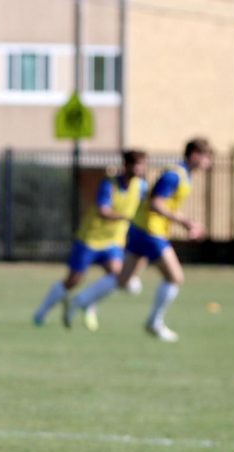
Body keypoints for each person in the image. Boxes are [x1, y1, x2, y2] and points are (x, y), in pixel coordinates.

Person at [67, 138, 213, 342]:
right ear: (195, 155)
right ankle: (154, 322)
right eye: (207, 157)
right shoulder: (174, 175)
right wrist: (185, 222)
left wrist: (187, 222)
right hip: (149, 232)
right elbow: (155, 204)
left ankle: (82, 300)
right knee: (175, 277)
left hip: (143, 230)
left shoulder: (185, 175)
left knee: (123, 280)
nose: (209, 163)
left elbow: (166, 204)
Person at [33, 150, 147, 330]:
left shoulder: (141, 187)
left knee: (117, 276)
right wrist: (126, 217)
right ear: (126, 165)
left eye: (143, 164)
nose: (141, 168)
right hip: (90, 239)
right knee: (73, 280)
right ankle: (42, 312)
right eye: (137, 164)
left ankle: (87, 302)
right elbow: (103, 211)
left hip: (114, 242)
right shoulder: (109, 184)